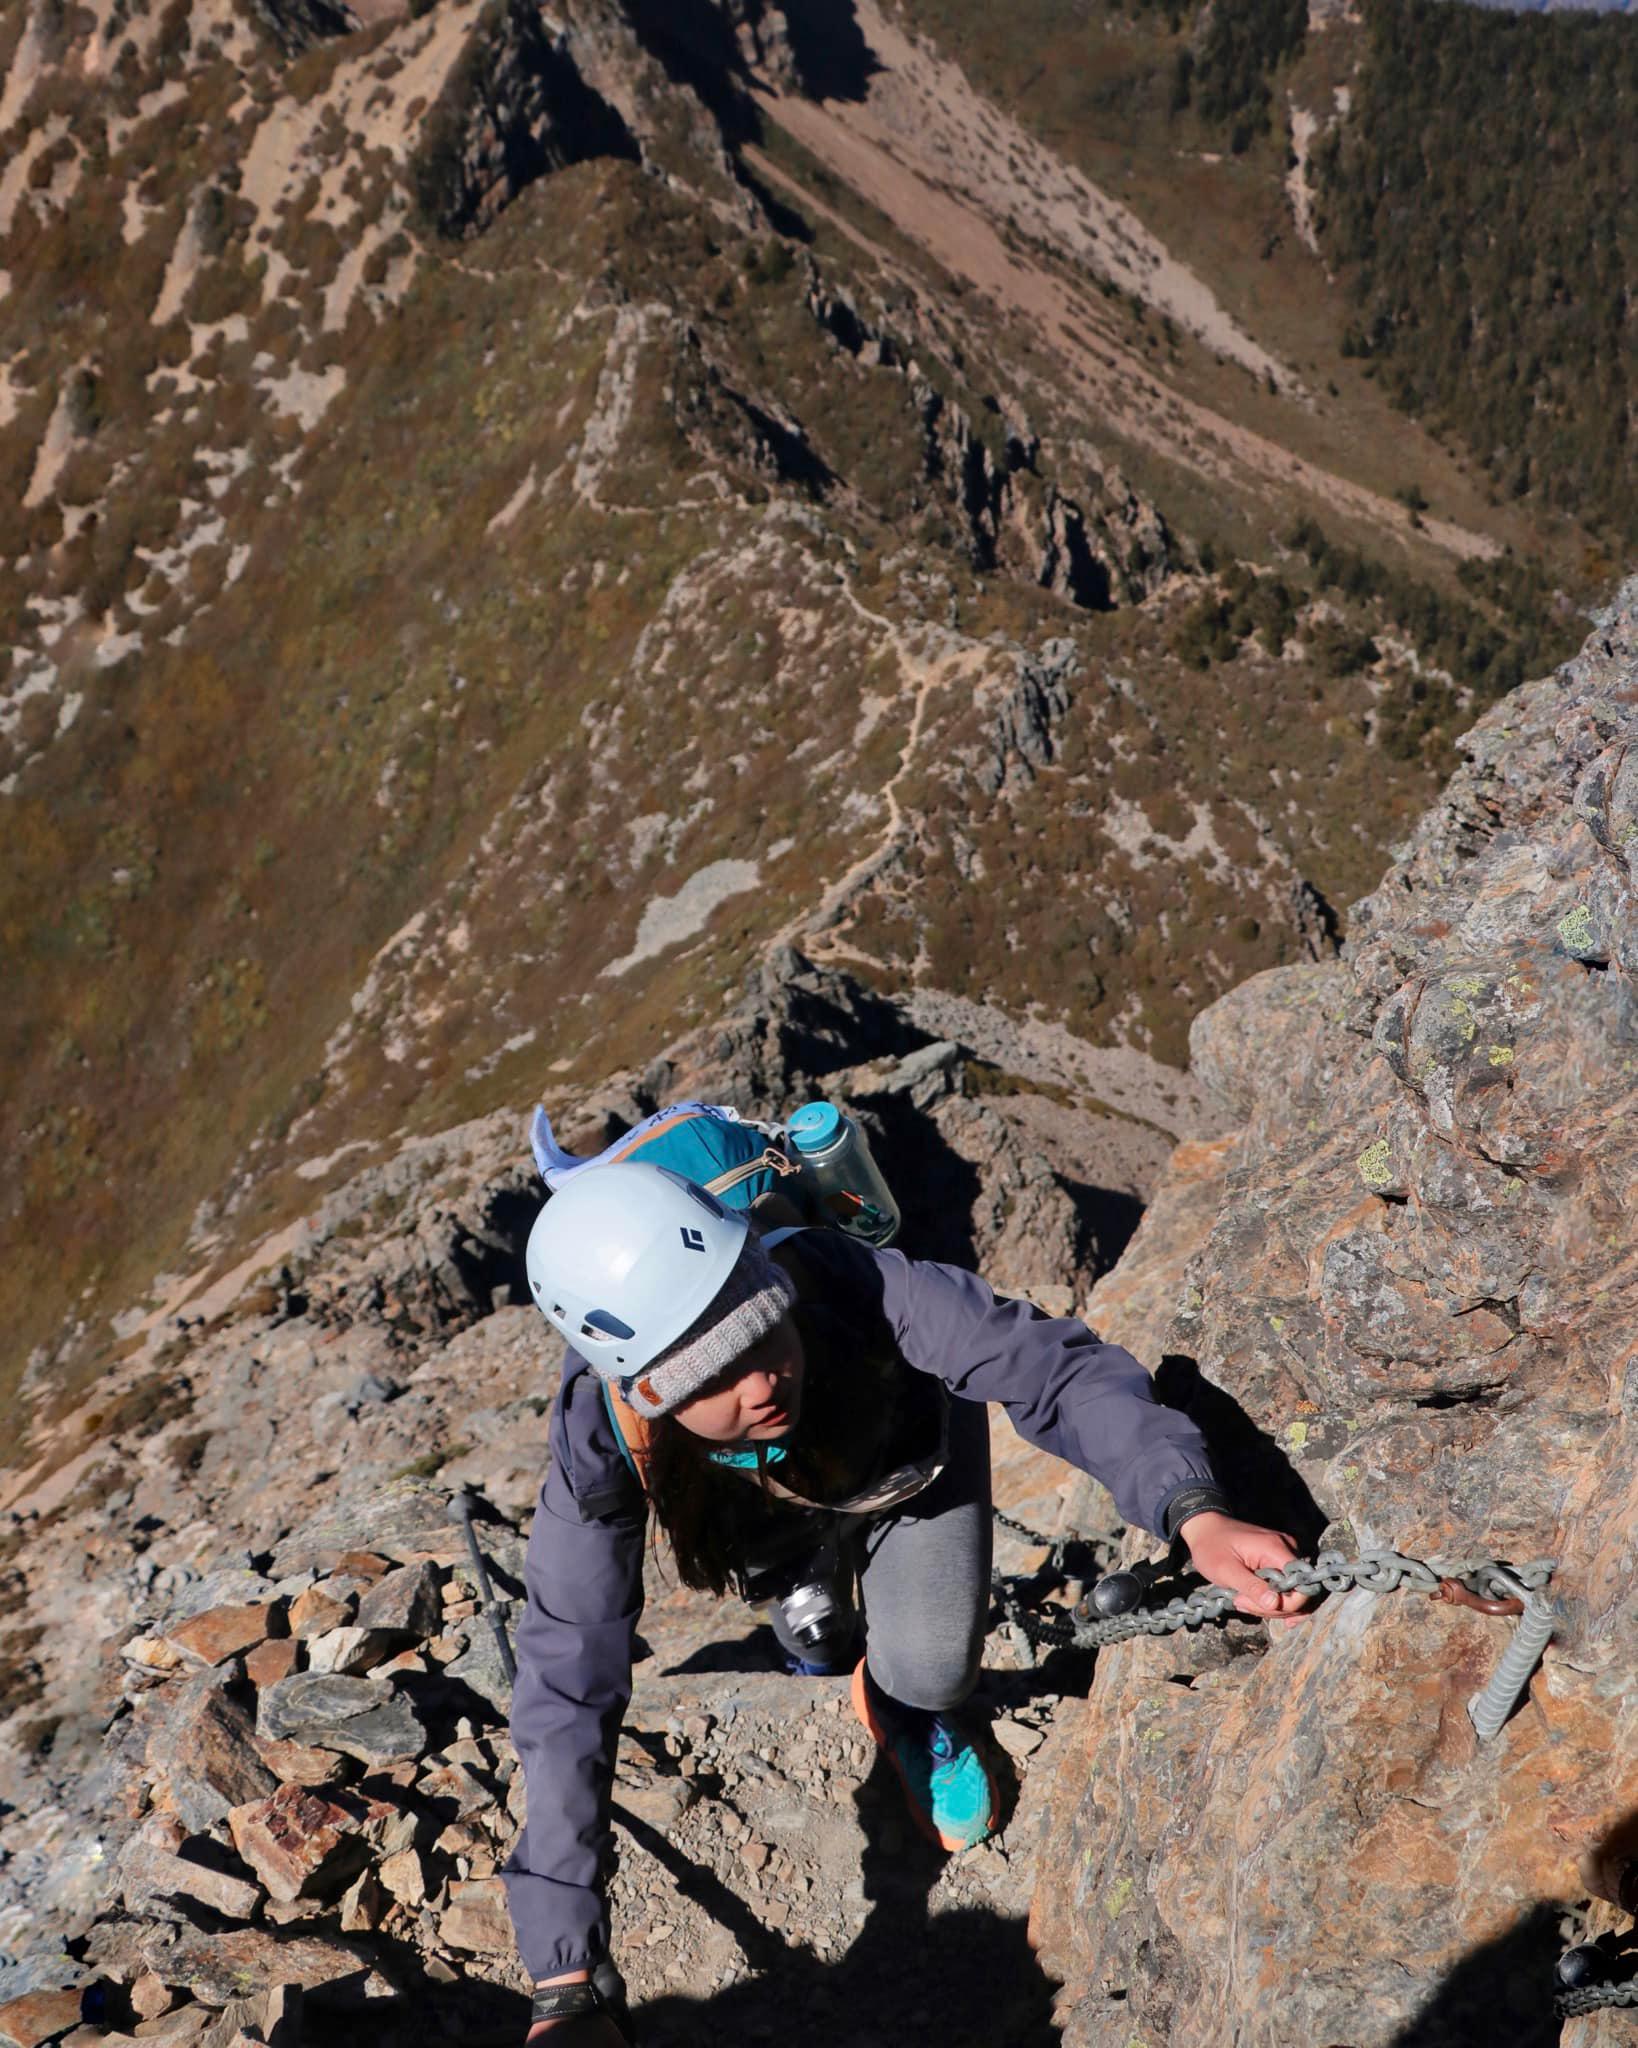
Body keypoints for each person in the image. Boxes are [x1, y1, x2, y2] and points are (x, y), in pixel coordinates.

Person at [504, 1161, 1310, 2043]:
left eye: (764, 1329)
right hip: (752, 1500)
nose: (761, 1383)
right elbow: (568, 1674)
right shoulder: (604, 1432)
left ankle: (897, 1700)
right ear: (644, 1389)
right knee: (805, 1611)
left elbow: (1048, 1367)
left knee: (931, 1664)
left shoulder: (847, 1278)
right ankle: (810, 1604)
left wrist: (1193, 1509)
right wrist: (565, 1977)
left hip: (897, 1456)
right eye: (712, 1378)